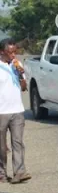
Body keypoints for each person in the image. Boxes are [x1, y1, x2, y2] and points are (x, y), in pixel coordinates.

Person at [0, 39, 30, 184]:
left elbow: (24, 88)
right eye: (10, 52)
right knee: (1, 145)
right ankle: (2, 173)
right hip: (1, 112)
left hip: (17, 110)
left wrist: (20, 74)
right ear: (1, 52)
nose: (13, 55)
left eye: (15, 52)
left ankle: (19, 172)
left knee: (17, 142)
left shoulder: (17, 65)